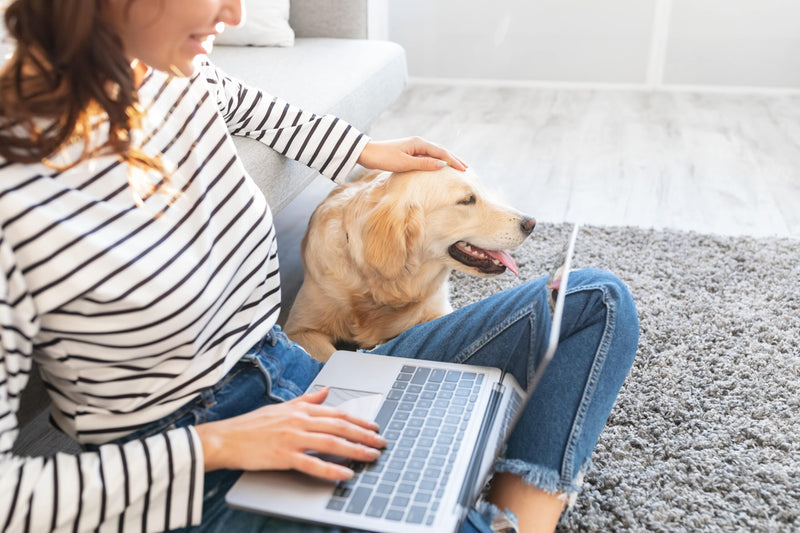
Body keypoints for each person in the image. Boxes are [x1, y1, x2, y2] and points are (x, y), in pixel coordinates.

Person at [0, 1, 639, 532]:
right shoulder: (16, 197)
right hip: (193, 469)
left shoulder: (171, 72)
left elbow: (253, 105)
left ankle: (504, 518)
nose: (236, 11)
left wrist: (368, 150)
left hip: (298, 374)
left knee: (594, 302)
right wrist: (223, 444)